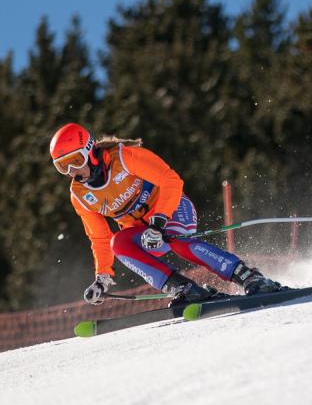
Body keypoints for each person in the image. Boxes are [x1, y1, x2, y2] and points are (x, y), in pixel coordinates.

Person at [50, 123, 284, 306]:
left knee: (174, 239)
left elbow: (170, 180)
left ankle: (248, 276)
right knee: (117, 243)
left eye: (76, 161)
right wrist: (102, 277)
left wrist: (159, 221)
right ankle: (183, 289)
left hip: (172, 212)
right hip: (145, 235)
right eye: (63, 167)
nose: (73, 171)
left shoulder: (124, 158)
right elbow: (99, 237)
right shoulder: (79, 195)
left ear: (90, 151)